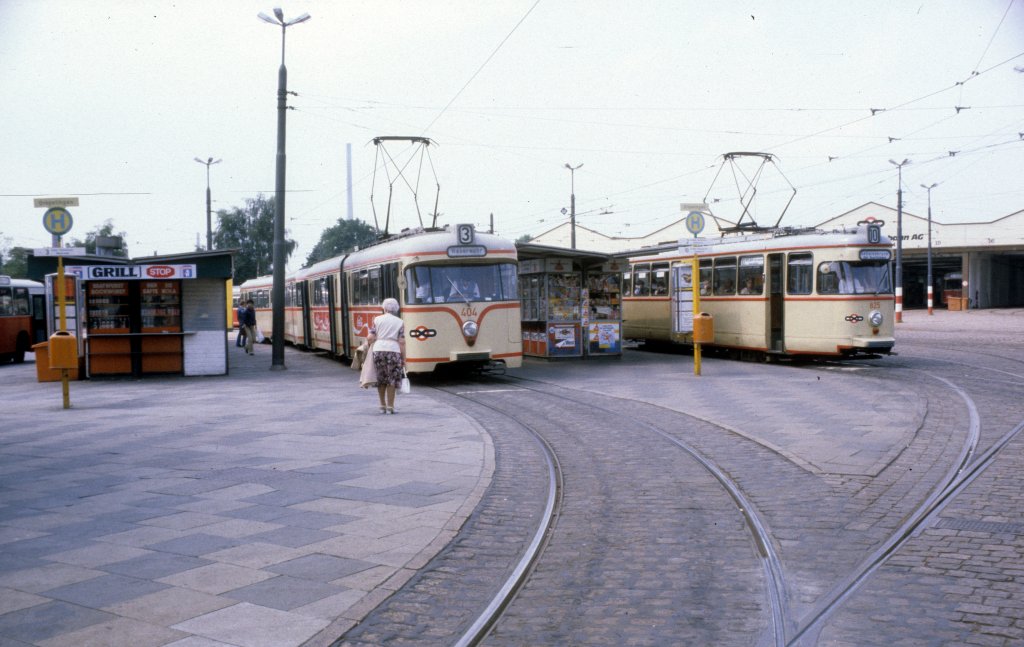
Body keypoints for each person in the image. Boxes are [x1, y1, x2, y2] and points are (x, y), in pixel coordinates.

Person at [367, 298, 406, 414]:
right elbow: (402, 341)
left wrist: (368, 344)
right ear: (395, 309)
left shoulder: (377, 320)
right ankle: (390, 407)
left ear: (384, 308)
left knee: (381, 378)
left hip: (378, 350)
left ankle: (382, 405)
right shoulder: (400, 322)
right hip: (393, 351)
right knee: (392, 379)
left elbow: (370, 337)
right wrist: (404, 358)